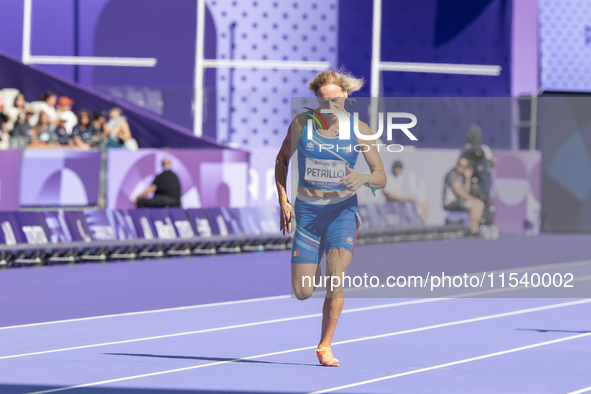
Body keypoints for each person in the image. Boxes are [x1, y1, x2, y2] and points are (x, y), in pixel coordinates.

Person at [275, 69, 386, 367]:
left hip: (342, 211)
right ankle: (317, 255)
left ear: (346, 96)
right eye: (323, 101)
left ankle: (325, 345)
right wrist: (282, 199)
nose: (330, 107)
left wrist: (363, 178)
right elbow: (282, 159)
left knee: (336, 278)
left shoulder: (360, 129)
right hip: (308, 213)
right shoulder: (301, 124)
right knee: (302, 292)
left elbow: (381, 175)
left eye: (335, 100)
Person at [443, 157, 485, 235]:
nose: (462, 168)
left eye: (465, 166)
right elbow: (458, 191)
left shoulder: (462, 176)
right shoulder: (452, 174)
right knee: (474, 204)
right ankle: (471, 229)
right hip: (451, 202)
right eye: (460, 165)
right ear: (457, 164)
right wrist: (472, 199)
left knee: (480, 204)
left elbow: (466, 190)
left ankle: (475, 229)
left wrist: (468, 177)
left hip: (461, 201)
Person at [460, 124, 496, 198]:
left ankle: (485, 197)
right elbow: (461, 162)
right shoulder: (468, 148)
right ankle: (485, 197)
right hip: (469, 174)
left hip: (482, 173)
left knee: (486, 176)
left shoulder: (468, 148)